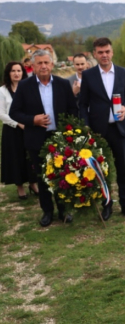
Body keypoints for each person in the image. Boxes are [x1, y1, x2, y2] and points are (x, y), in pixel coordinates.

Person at [10, 50, 78, 227]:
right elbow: (14, 112)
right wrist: (33, 120)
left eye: (46, 63)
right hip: (36, 138)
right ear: (33, 65)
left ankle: (63, 210)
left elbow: (73, 109)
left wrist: (69, 131)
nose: (43, 66)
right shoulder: (25, 86)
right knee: (42, 176)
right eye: (39, 63)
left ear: (52, 64)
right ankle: (47, 211)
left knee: (62, 175)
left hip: (59, 138)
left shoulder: (63, 84)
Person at [79, 37, 125, 220]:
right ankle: (107, 205)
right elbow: (83, 104)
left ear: (112, 52)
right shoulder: (88, 76)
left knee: (123, 169)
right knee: (102, 170)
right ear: (94, 54)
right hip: (98, 131)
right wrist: (87, 127)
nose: (104, 55)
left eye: (107, 51)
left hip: (120, 130)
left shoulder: (123, 73)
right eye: (100, 52)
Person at [0, 62, 38, 199]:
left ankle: (33, 184)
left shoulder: (28, 88)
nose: (16, 73)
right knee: (16, 158)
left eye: (19, 70)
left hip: (29, 127)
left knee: (31, 157)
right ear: (8, 73)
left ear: (23, 72)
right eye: (13, 71)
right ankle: (20, 186)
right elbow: (2, 114)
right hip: (12, 130)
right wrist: (18, 124)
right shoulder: (3, 91)